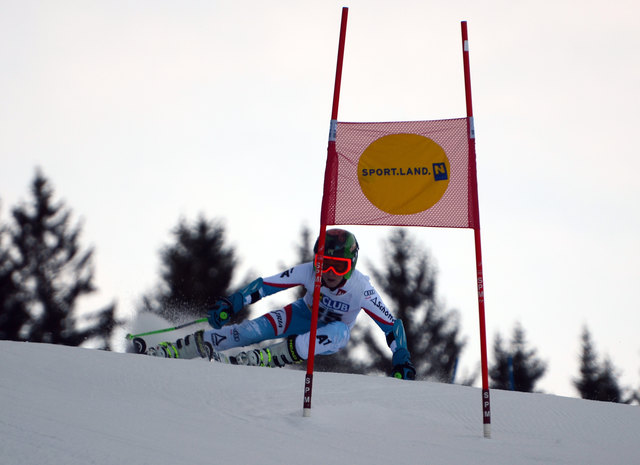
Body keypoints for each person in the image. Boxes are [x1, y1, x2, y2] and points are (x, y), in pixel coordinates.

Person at [146, 228, 416, 380]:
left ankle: (270, 357)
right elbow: (266, 285)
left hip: (331, 332)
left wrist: (401, 357)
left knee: (336, 333)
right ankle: (184, 347)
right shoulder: (310, 271)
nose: (330, 272)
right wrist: (234, 302)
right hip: (302, 314)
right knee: (249, 332)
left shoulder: (361, 289)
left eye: (339, 266)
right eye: (325, 264)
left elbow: (391, 326)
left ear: (351, 266)